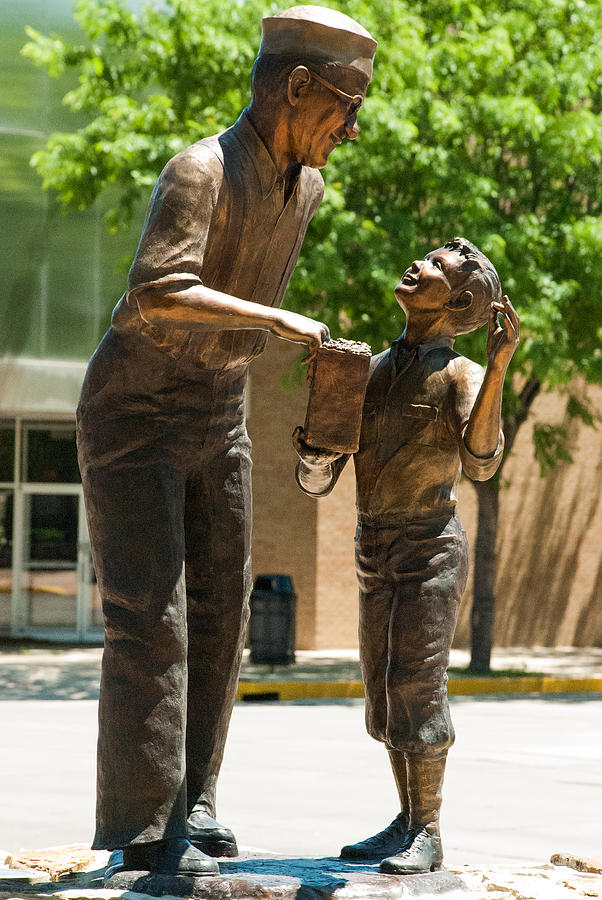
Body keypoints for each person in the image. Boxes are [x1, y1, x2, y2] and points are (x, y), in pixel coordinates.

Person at [77, 5, 376, 879]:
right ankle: (142, 826)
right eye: (345, 106)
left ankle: (193, 801)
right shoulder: (198, 172)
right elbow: (157, 292)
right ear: (295, 87)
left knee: (222, 617)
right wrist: (275, 316)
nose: (351, 130)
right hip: (135, 415)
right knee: (153, 621)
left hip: (218, 409)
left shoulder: (308, 188)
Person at [293, 237, 519, 874]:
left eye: (439, 267)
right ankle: (404, 818)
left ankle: (429, 829)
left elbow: (481, 462)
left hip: (430, 549)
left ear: (461, 301)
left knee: (419, 687)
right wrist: (319, 427)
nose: (419, 263)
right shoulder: (368, 368)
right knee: (384, 691)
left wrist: (498, 368)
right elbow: (319, 476)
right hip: (375, 546)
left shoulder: (461, 375)